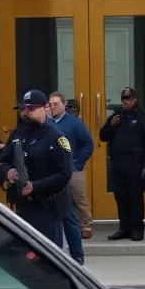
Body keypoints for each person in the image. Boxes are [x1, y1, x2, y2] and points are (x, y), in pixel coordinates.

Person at [0, 90, 74, 243]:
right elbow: (3, 160)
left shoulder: (56, 137)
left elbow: (64, 174)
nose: (26, 113)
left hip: (47, 207)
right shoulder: (17, 135)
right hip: (23, 206)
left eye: (31, 109)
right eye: (23, 109)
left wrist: (36, 186)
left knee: (48, 259)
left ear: (45, 108)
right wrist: (8, 171)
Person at [99, 87, 145, 241]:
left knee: (135, 197)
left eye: (128, 100)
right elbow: (103, 136)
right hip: (118, 162)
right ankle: (124, 228)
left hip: (135, 163)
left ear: (134, 100)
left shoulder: (143, 117)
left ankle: (137, 228)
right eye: (123, 100)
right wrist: (111, 124)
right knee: (120, 197)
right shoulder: (117, 116)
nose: (125, 102)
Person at [49, 91, 94, 263]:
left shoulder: (74, 123)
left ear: (64, 104)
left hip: (73, 170)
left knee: (79, 199)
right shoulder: (48, 123)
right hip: (55, 173)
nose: (53, 107)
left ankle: (86, 227)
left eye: (56, 104)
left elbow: (87, 144)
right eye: (51, 104)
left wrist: (78, 162)